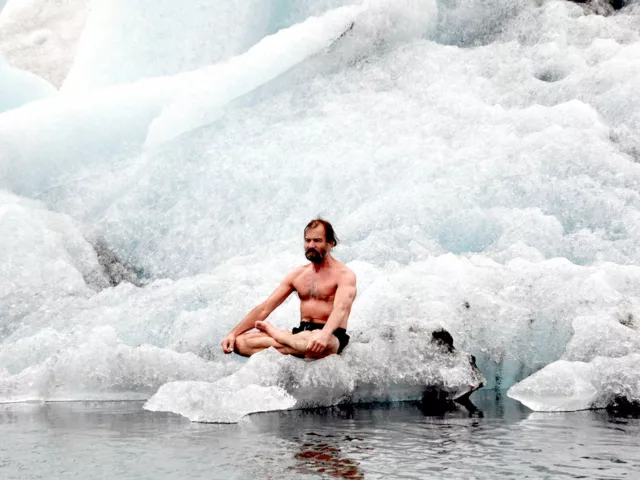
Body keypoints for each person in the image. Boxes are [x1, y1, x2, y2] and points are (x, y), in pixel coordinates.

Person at [221, 219, 356, 359]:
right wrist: (233, 333)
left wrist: (325, 334)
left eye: (317, 240)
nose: (311, 245)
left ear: (330, 243)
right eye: (307, 240)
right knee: (239, 342)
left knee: (323, 344)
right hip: (301, 336)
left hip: (331, 335)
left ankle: (280, 337)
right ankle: (289, 343)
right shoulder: (297, 275)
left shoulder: (344, 275)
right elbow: (265, 308)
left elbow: (340, 308)